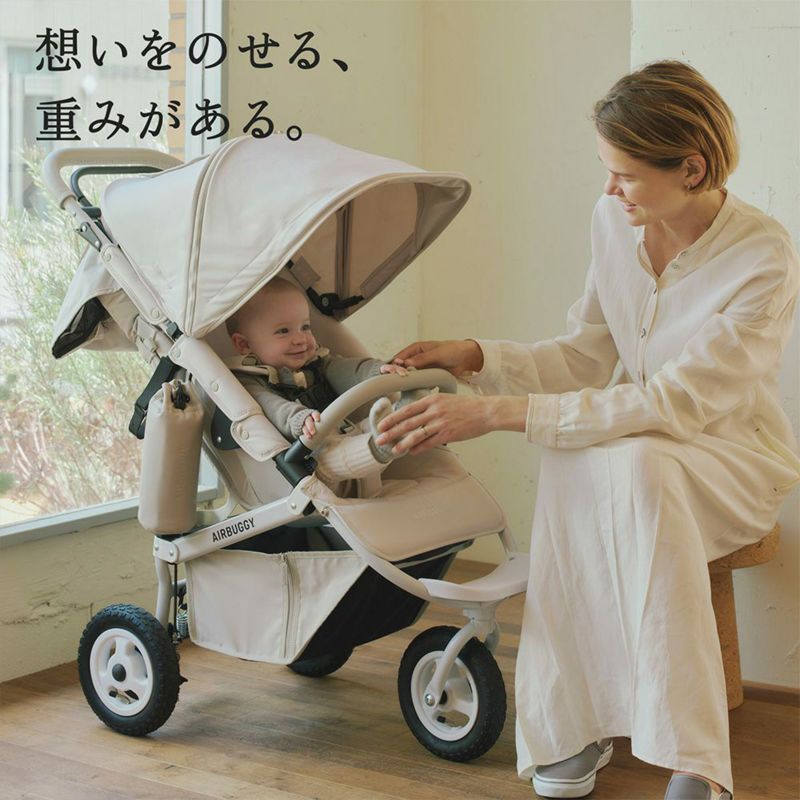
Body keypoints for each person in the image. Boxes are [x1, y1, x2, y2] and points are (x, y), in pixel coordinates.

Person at [374, 60, 800, 800]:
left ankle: (695, 759)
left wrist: (497, 415)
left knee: (633, 463)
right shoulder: (613, 222)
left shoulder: (762, 257)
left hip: (730, 462)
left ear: (692, 168)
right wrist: (474, 357)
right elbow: (584, 357)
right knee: (599, 461)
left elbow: (677, 404)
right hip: (643, 453)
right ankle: (573, 724)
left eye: (626, 175)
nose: (609, 190)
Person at [226, 277, 416, 494]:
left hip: (345, 434)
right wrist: (298, 418)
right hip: (312, 461)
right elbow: (271, 406)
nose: (301, 339)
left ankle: (402, 417)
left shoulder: (318, 363)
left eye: (305, 327)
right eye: (283, 331)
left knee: (367, 428)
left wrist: (377, 370)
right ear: (244, 344)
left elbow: (347, 369)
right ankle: (380, 446)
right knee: (335, 452)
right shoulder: (249, 382)